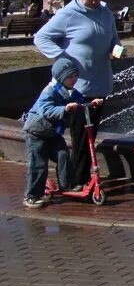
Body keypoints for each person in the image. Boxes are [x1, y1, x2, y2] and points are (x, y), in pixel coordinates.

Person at [32, 0, 118, 190]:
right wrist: (63, 58)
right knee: (80, 136)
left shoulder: (105, 13)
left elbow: (113, 39)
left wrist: (117, 50)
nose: (95, 1)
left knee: (90, 134)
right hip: (77, 86)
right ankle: (76, 180)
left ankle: (76, 177)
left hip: (100, 81)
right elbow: (41, 37)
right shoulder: (69, 14)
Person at [21, 58, 98, 208]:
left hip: (53, 133)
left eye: (76, 76)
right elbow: (45, 110)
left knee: (63, 155)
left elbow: (79, 101)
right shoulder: (50, 91)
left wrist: (91, 104)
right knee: (38, 164)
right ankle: (32, 195)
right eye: (70, 77)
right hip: (36, 132)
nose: (74, 80)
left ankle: (67, 184)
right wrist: (64, 109)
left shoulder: (70, 91)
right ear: (61, 77)